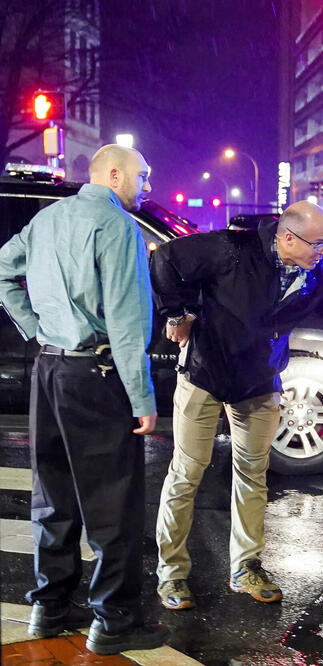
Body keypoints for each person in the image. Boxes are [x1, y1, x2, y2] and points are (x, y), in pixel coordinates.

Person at [150, 200, 323, 611]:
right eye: (318, 244)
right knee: (187, 473)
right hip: (204, 374)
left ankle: (245, 567)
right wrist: (176, 315)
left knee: (252, 474)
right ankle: (171, 574)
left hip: (260, 381)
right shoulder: (233, 249)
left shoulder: (317, 273)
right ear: (287, 237)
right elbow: (167, 260)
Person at [0, 144, 169, 654]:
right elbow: (126, 320)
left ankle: (48, 609)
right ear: (113, 175)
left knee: (52, 494)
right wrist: (141, 396)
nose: (145, 185)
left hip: (48, 370)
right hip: (95, 375)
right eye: (142, 175)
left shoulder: (48, 218)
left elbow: (4, 271)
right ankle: (114, 621)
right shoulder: (119, 228)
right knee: (112, 501)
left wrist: (33, 328)